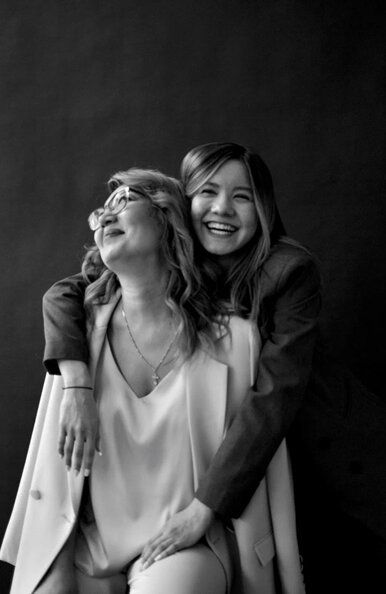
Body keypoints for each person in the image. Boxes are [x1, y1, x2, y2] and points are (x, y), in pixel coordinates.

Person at [14, 143, 386, 591]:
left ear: (264, 209)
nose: (222, 208)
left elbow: (273, 398)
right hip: (238, 468)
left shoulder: (286, 272)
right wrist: (76, 384)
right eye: (207, 192)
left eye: (243, 196)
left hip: (322, 447)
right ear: (182, 208)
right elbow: (66, 291)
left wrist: (204, 508)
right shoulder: (153, 269)